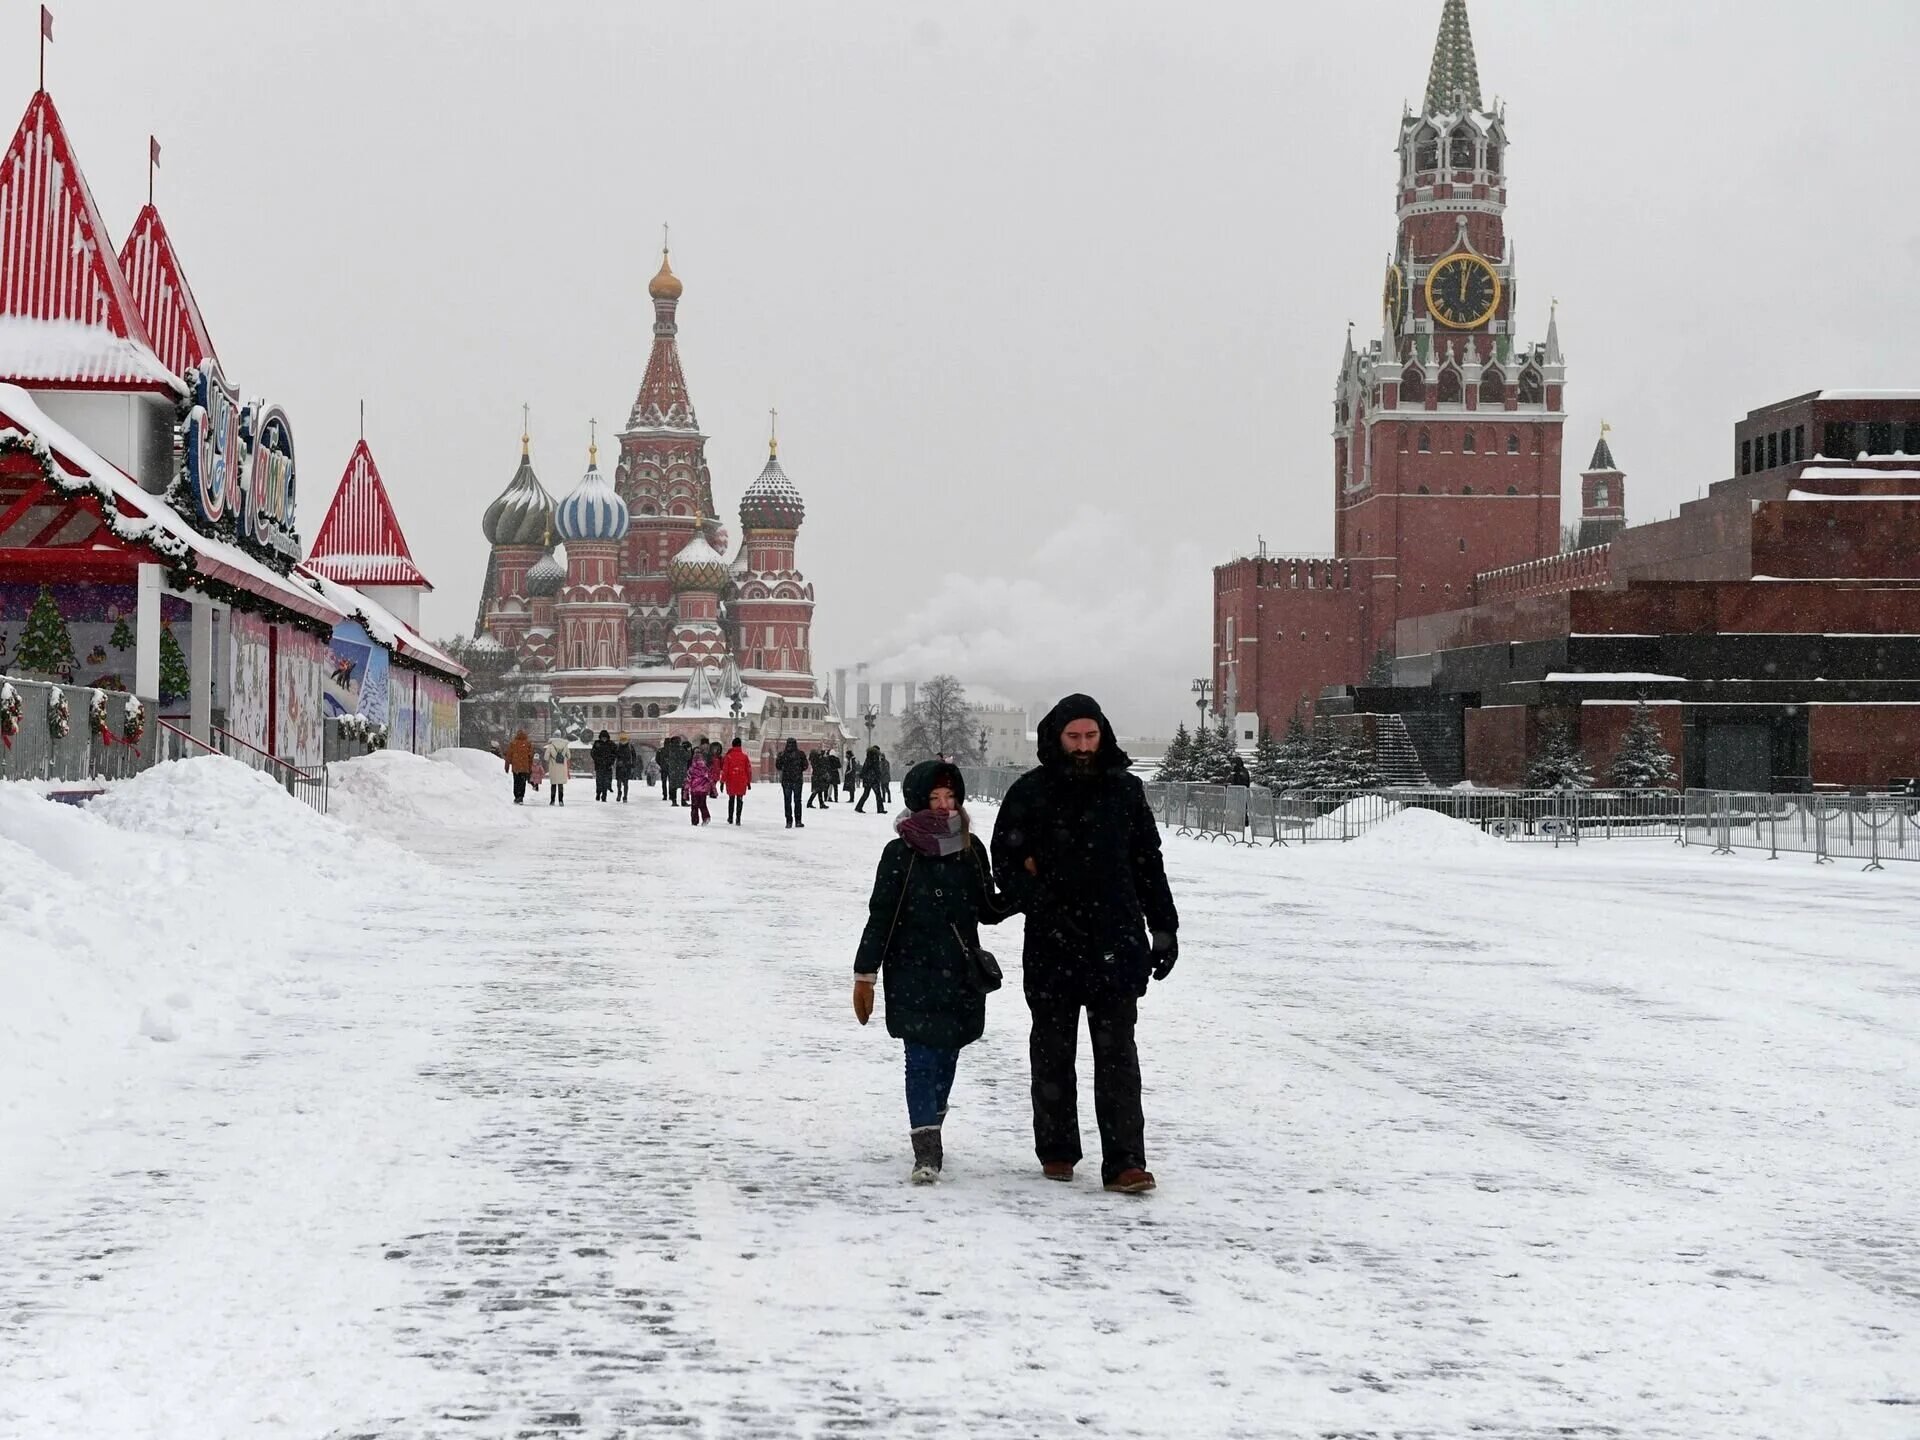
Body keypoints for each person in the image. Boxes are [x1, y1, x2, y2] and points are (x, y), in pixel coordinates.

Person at [991, 694, 1178, 1195]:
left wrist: (1164, 927)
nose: (1081, 746)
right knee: (1052, 1050)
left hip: (1115, 941)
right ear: (1056, 737)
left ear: (1103, 736)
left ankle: (1124, 1162)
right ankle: (1057, 1149)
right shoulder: (1029, 793)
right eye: (1073, 737)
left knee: (1117, 1055)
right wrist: (1041, 901)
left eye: (1090, 737)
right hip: (1052, 944)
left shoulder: (1125, 791)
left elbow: (1147, 863)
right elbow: (1004, 864)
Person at [854, 760, 1017, 1183]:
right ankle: (926, 1148)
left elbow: (988, 908)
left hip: (959, 974)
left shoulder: (970, 848)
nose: (945, 807)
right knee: (921, 1058)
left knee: (947, 1057)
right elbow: (881, 917)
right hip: (911, 973)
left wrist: (1027, 887)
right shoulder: (900, 854)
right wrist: (864, 974)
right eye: (935, 799)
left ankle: (933, 1119)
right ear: (917, 801)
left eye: (952, 798)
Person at [776, 738, 809, 828]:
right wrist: (798, 770)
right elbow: (805, 766)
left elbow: (778, 766)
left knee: (787, 801)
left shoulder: (782, 754)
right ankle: (798, 821)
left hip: (786, 780)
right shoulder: (800, 754)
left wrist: (785, 769)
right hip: (797, 780)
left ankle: (788, 821)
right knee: (797, 801)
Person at [721, 737, 753, 825]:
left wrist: (722, 781)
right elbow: (748, 770)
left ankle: (730, 817)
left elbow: (725, 770)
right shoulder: (744, 757)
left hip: (731, 780)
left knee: (731, 799)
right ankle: (738, 818)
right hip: (742, 780)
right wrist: (748, 782)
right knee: (740, 799)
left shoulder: (729, 756)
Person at [686, 748, 714, 826]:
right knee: (703, 805)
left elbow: (688, 781)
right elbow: (710, 779)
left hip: (694, 790)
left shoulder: (691, 769)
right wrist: (712, 789)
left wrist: (685, 792)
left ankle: (694, 821)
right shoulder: (705, 769)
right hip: (703, 790)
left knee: (694, 806)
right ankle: (706, 817)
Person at [505, 729, 534, 804]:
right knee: (522, 782)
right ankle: (521, 797)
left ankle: (516, 796)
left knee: (516, 782)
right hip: (524, 767)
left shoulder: (513, 743)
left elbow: (508, 755)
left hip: (516, 767)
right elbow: (530, 756)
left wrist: (507, 766)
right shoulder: (528, 743)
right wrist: (530, 767)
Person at [856, 745, 886, 813]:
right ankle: (880, 809)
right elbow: (876, 768)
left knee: (866, 794)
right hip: (873, 779)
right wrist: (879, 775)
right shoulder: (875, 757)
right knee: (878, 794)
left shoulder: (869, 756)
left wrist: (862, 775)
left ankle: (859, 807)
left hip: (867, 778)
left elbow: (865, 766)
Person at [544, 734, 572, 806]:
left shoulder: (550, 746)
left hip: (553, 768)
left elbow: (546, 758)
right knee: (560, 785)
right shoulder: (565, 745)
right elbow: (569, 756)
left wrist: (552, 756)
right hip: (562, 768)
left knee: (553, 785)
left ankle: (552, 801)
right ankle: (561, 801)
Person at [664, 735, 691, 807]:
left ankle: (674, 801)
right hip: (681, 770)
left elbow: (665, 758)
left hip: (673, 770)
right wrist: (688, 750)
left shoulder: (669, 749)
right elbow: (687, 757)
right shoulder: (681, 749)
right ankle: (683, 801)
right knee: (683, 787)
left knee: (673, 787)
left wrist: (670, 765)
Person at [591, 729, 617, 802]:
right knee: (599, 781)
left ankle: (604, 795)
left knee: (606, 781)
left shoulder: (611, 744)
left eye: (605, 737)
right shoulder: (597, 743)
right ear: (600, 737)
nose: (604, 739)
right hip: (599, 766)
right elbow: (593, 753)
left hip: (607, 766)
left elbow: (615, 754)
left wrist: (611, 761)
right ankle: (598, 793)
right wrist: (597, 760)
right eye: (603, 737)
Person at [614, 733, 637, 802]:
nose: (623, 741)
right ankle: (619, 793)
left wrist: (633, 764)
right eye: (622, 739)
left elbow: (634, 756)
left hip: (627, 766)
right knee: (619, 782)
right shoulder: (617, 746)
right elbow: (614, 755)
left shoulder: (630, 746)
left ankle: (625, 796)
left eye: (624, 739)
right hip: (619, 766)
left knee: (626, 782)